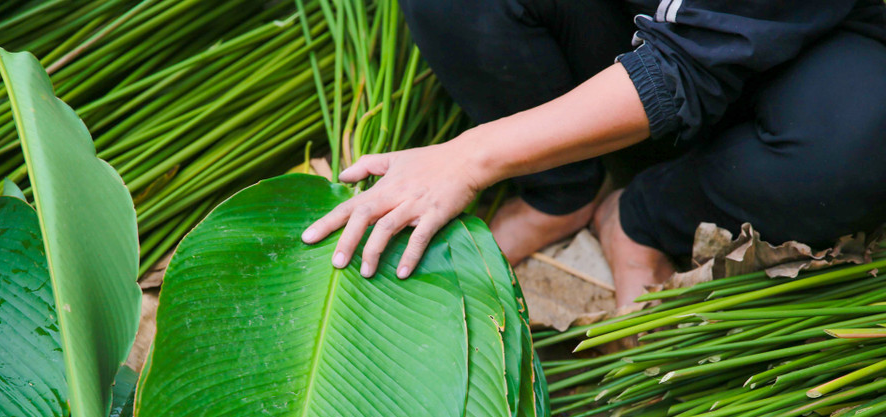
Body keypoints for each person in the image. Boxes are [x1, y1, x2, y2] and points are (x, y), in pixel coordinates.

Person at [301, 1, 886, 307]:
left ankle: (642, 218)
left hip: (817, 53)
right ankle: (563, 190)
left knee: (861, 141)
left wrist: (469, 157)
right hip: (631, 24)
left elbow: (687, 63)